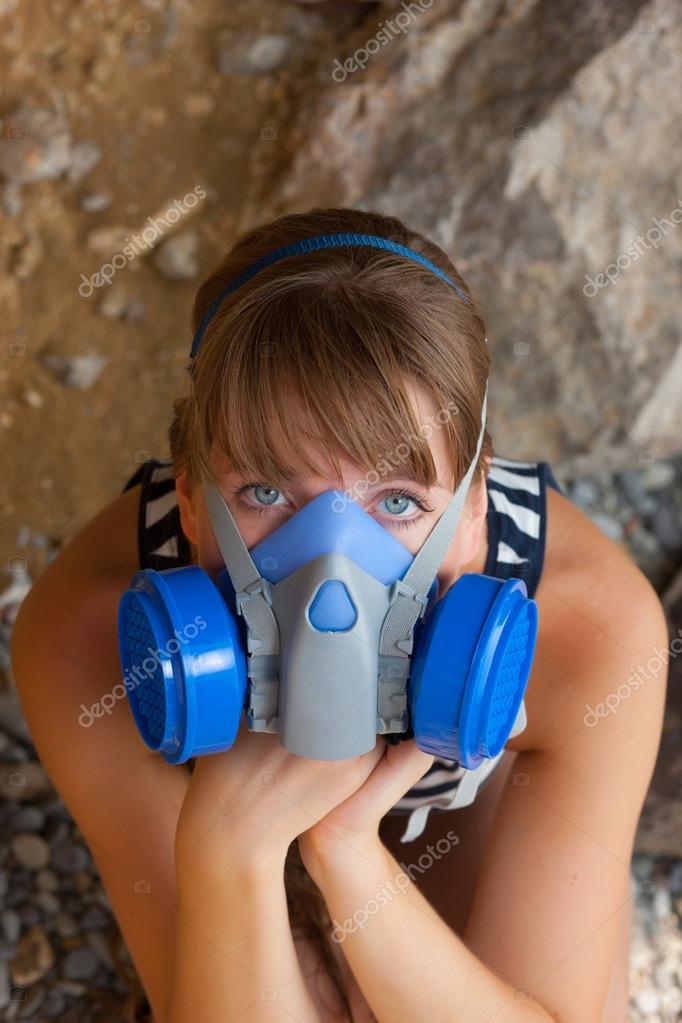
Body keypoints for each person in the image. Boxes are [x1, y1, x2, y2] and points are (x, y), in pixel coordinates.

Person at [12, 207, 668, 1023]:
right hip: (212, 803)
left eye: (397, 500)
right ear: (188, 497)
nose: (333, 560)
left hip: (456, 816)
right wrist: (230, 855)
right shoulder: (86, 633)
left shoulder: (589, 631)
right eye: (265, 491)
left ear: (473, 511)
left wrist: (346, 849)